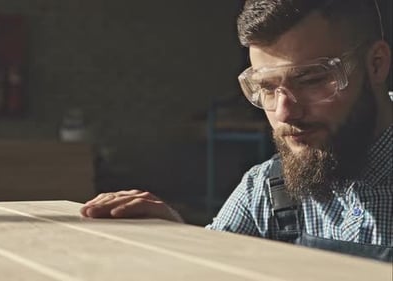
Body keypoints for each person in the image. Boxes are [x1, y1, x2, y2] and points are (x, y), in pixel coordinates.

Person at [80, 0, 392, 262]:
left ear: (376, 65)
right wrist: (178, 239)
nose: (284, 112)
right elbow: (212, 268)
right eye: (267, 88)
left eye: (311, 80)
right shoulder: (268, 190)